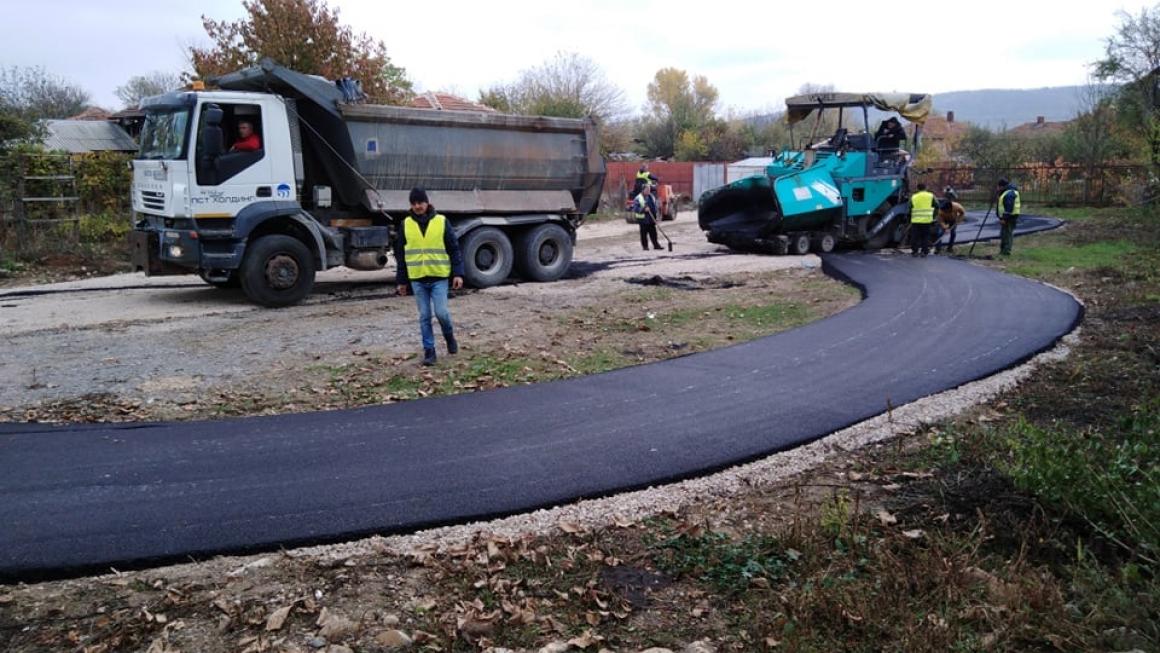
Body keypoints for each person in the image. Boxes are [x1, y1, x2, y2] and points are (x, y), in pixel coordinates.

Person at [394, 187, 465, 366]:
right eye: (414, 203)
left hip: (439, 277)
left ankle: (449, 338)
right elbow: (401, 255)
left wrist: (458, 273)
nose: (417, 206)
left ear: (427, 203)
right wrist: (402, 281)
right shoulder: (406, 224)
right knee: (424, 316)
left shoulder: (441, 221)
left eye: (420, 202)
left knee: (441, 313)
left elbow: (453, 248)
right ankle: (429, 352)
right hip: (417, 279)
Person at [934, 186, 965, 254]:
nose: (944, 211)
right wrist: (945, 227)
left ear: (949, 209)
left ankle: (950, 248)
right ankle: (938, 249)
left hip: (953, 220)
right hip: (944, 220)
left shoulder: (957, 206)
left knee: (953, 233)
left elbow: (962, 213)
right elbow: (940, 220)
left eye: (945, 210)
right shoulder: (941, 211)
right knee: (940, 233)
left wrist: (958, 221)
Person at [632, 183, 663, 251]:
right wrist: (643, 209)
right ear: (643, 190)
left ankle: (656, 245)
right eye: (647, 189)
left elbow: (655, 208)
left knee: (653, 233)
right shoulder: (638, 198)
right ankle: (645, 246)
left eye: (649, 189)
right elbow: (635, 209)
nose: (648, 191)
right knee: (643, 234)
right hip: (643, 220)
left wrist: (657, 217)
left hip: (651, 219)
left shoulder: (651, 197)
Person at [909, 182, 937, 257]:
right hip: (927, 220)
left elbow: (910, 208)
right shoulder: (931, 196)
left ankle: (915, 252)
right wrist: (933, 216)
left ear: (917, 188)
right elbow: (937, 205)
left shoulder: (914, 196)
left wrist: (909, 217)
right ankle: (924, 252)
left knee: (915, 236)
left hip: (916, 220)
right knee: (925, 236)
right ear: (926, 188)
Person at [996, 178, 1021, 256]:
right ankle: (1003, 250)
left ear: (1002, 186)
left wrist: (1004, 218)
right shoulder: (1007, 192)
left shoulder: (1009, 193)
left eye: (998, 187)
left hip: (1009, 218)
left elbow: (1009, 207)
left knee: (1007, 234)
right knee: (1004, 233)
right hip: (1008, 217)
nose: (997, 188)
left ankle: (1006, 251)